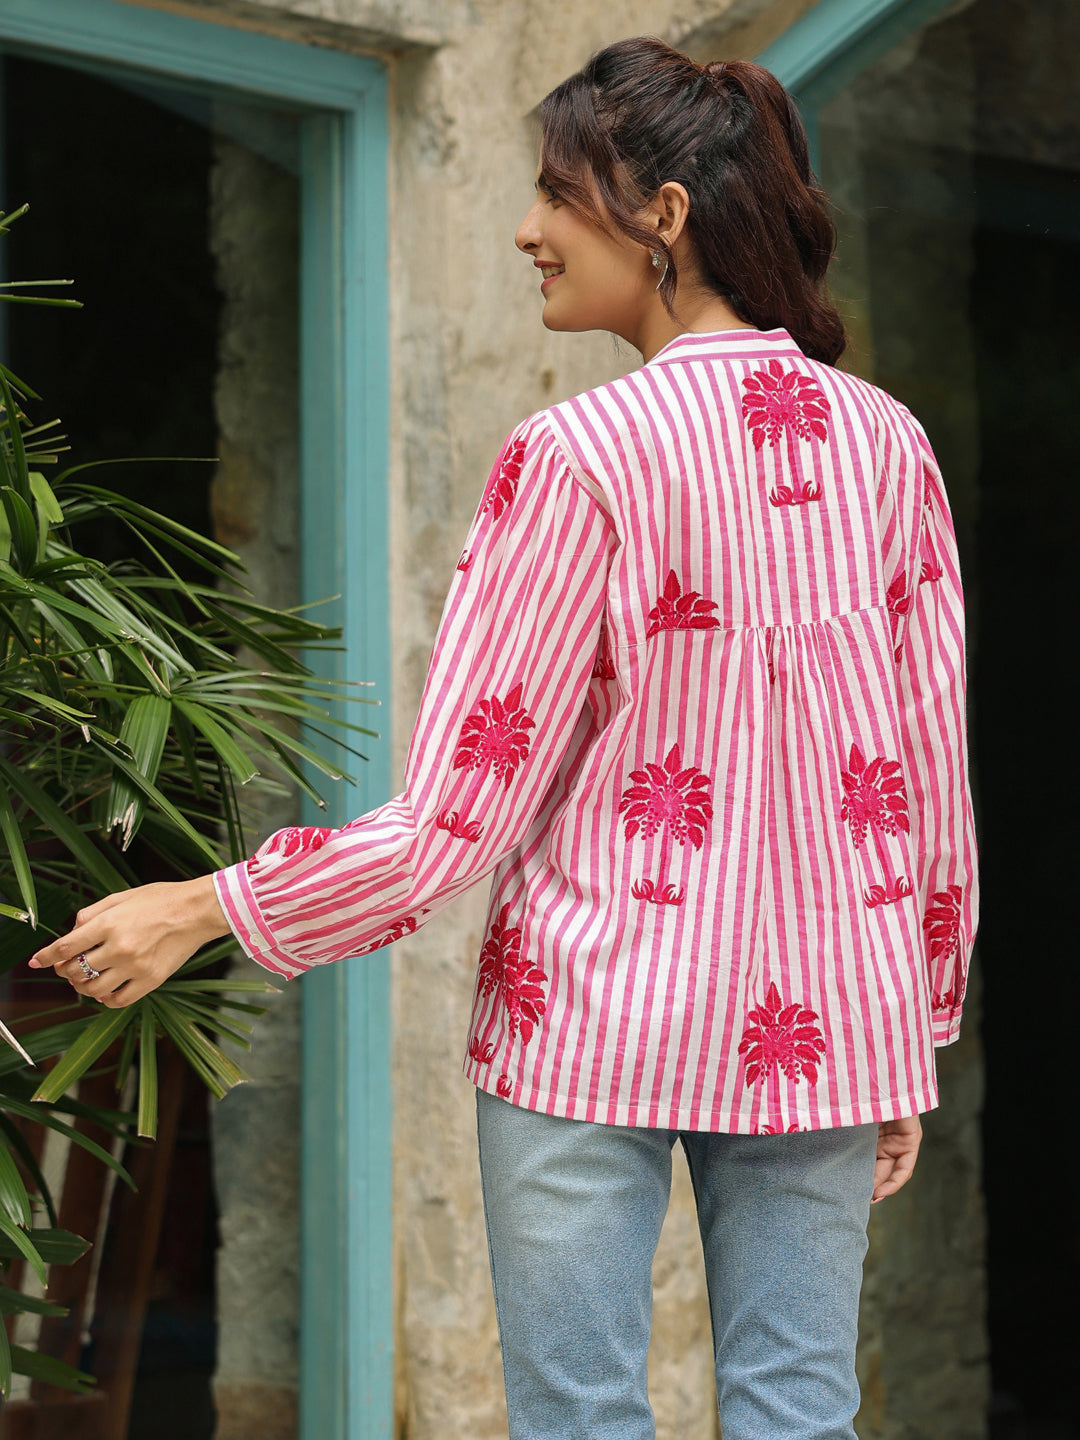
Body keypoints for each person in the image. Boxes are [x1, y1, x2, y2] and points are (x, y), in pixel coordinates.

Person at [31, 36, 978, 1440]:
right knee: (800, 1413)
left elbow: (454, 819)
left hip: (588, 1022)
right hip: (823, 1030)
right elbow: (929, 792)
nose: (527, 231)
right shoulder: (889, 445)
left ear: (662, 212)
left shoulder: (578, 456)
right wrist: (909, 1033)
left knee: (578, 1420)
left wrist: (203, 904)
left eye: (554, 192)